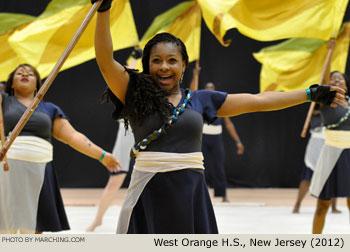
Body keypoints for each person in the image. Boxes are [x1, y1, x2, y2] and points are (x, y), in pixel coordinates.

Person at [92, 0, 345, 234]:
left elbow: (259, 101)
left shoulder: (201, 100)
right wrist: (103, 12)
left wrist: (310, 94)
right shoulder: (133, 92)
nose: (164, 66)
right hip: (147, 193)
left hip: (191, 195)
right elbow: (105, 61)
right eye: (156, 60)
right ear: (147, 65)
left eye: (172, 60)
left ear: (183, 66)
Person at [0, 64, 120, 234]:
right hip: (7, 169)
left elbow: (72, 137)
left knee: (33, 229)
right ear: (11, 83)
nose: (25, 74)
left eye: (30, 74)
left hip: (39, 170)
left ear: (38, 84)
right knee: (5, 227)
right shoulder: (3, 101)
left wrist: (101, 155)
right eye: (19, 73)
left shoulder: (49, 109)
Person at [86, 47, 141, 232]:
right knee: (115, 180)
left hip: (146, 135)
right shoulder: (123, 88)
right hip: (127, 135)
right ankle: (98, 220)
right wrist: (134, 57)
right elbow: (122, 73)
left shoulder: (149, 90)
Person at [190, 64, 244, 202]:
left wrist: (238, 141)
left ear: (214, 91)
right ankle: (198, 195)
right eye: (207, 88)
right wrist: (195, 75)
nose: (209, 91)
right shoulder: (200, 102)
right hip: (202, 137)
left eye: (211, 88)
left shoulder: (220, 105)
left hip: (216, 138)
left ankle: (223, 195)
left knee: (219, 166)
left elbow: (229, 124)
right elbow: (192, 92)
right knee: (200, 166)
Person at [310, 70, 350, 234]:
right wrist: (331, 51)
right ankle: (315, 244)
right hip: (331, 154)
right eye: (332, 79)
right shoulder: (325, 100)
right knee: (322, 205)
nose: (336, 81)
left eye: (340, 79)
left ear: (346, 84)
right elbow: (321, 81)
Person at [292, 107, 341, 214]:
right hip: (317, 140)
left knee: (332, 175)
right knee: (308, 175)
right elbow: (313, 112)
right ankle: (297, 204)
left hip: (332, 140)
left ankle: (333, 206)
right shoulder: (319, 99)